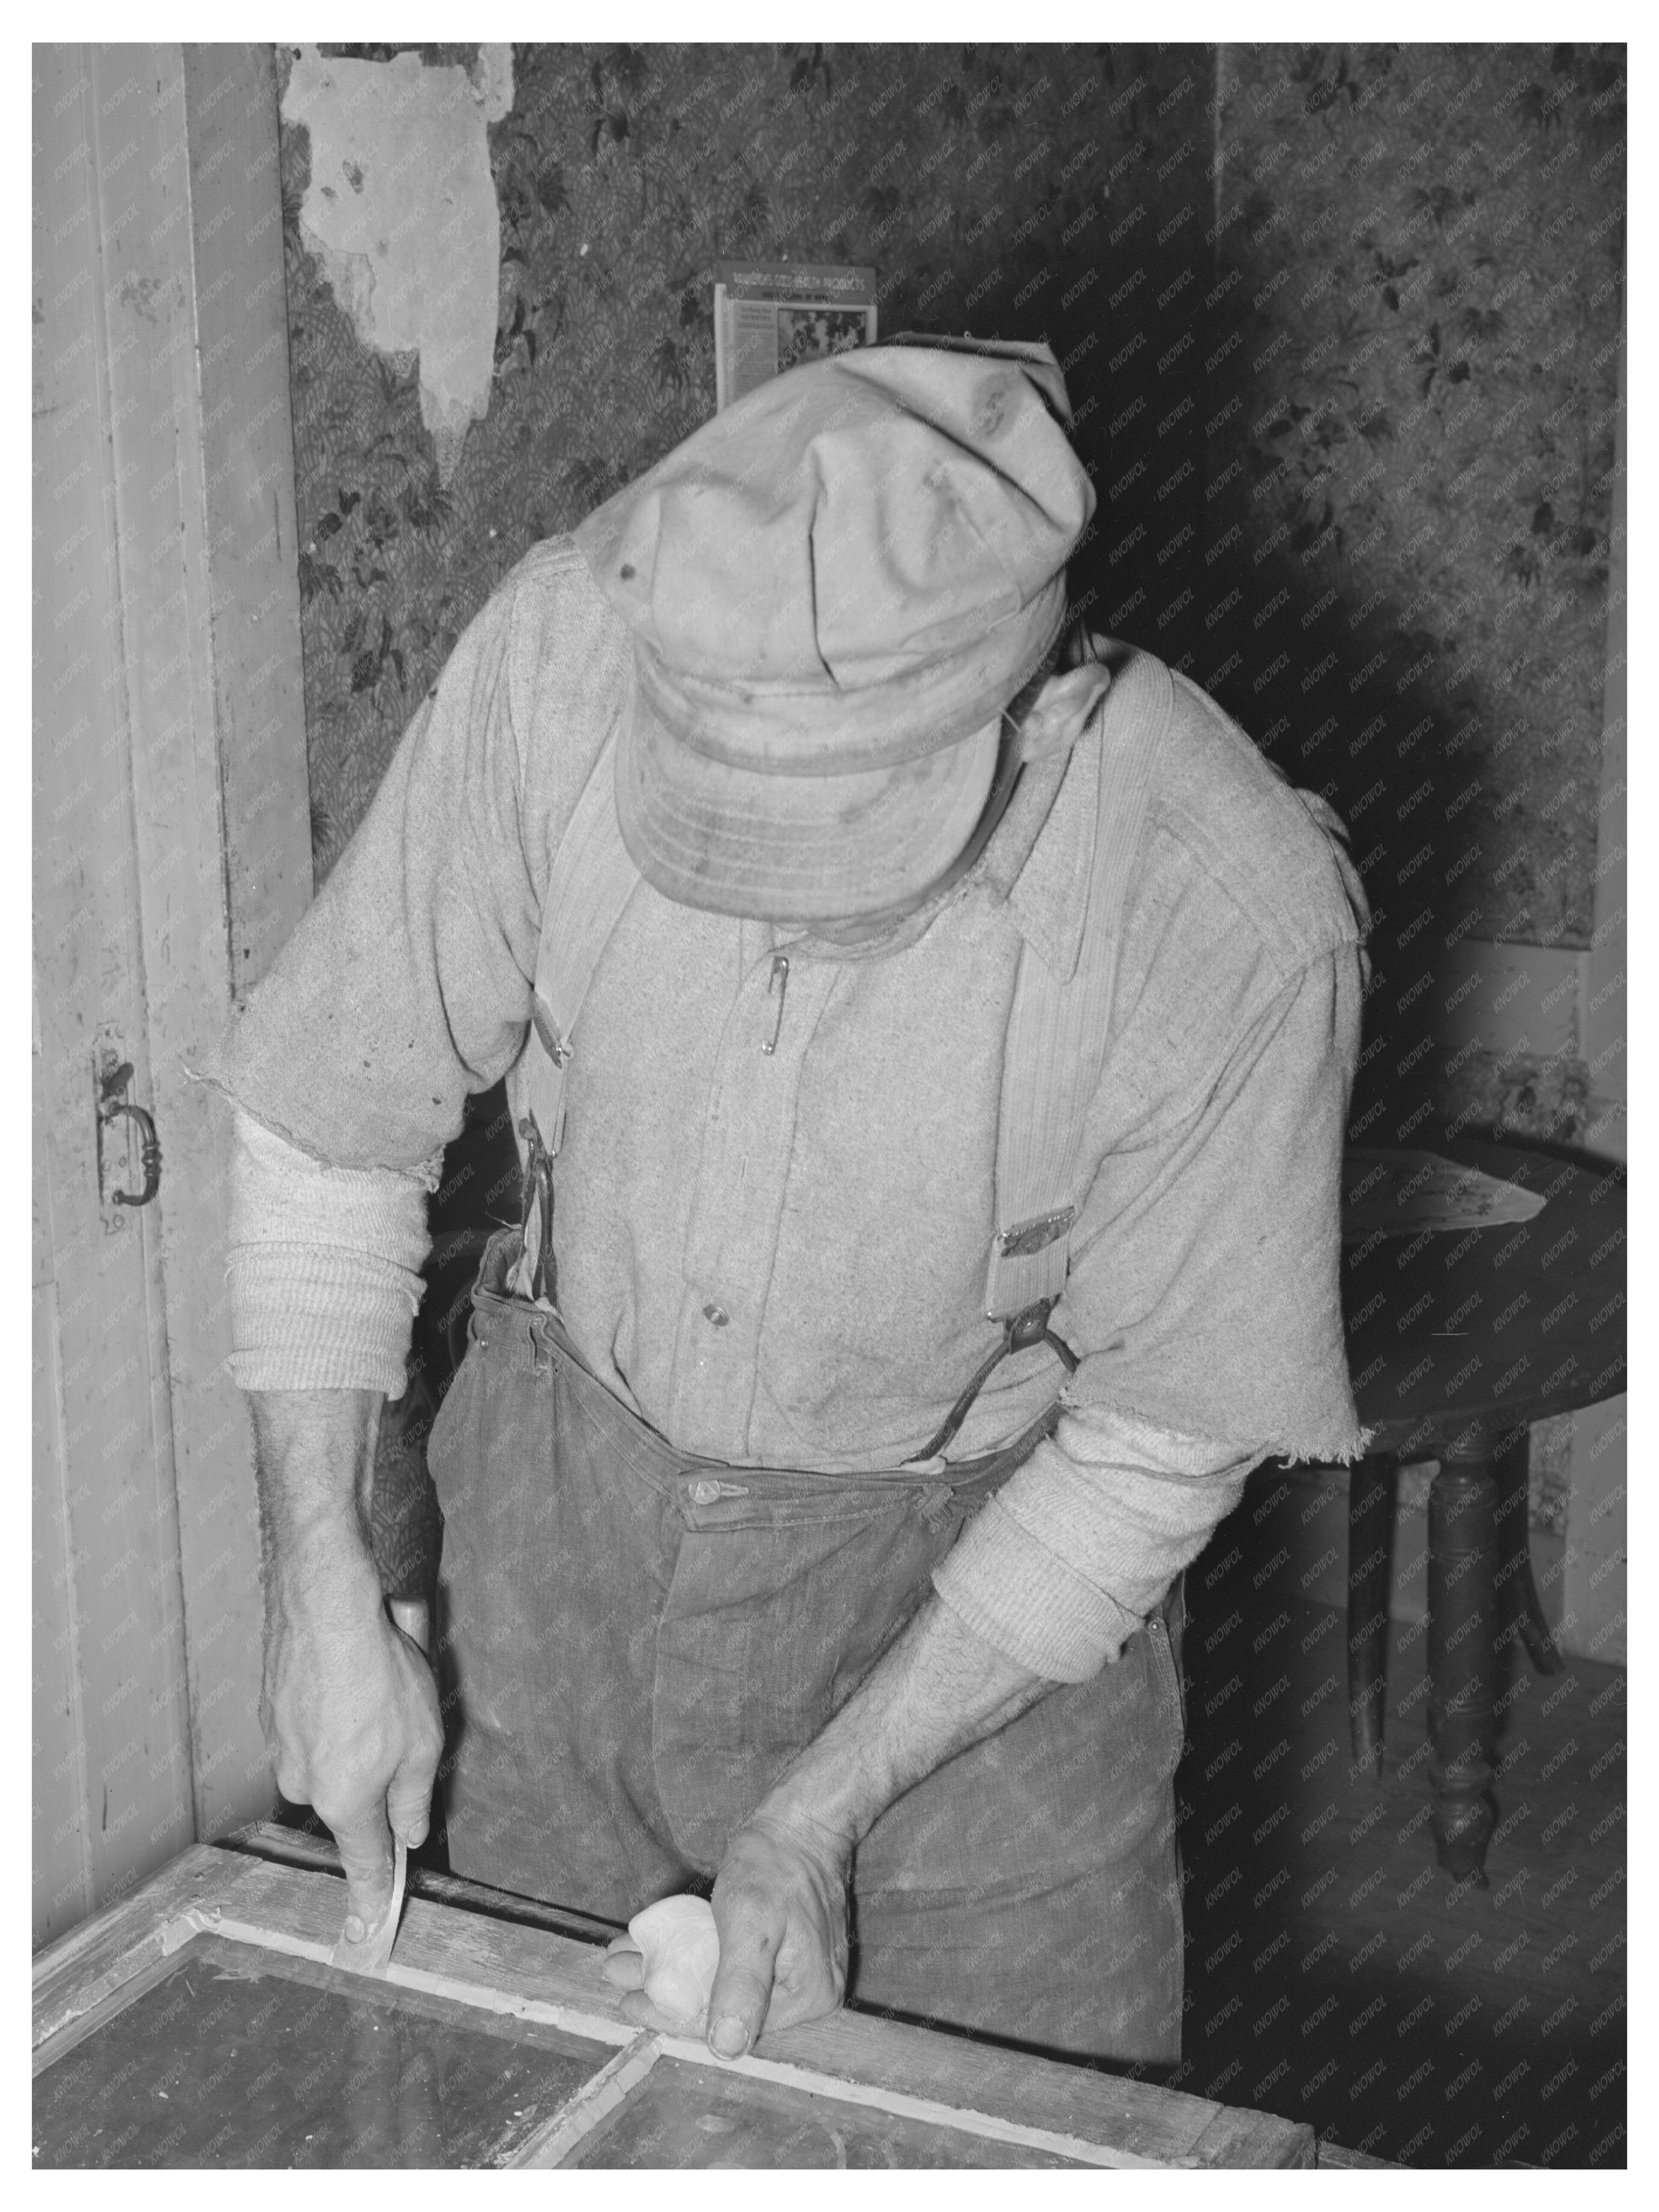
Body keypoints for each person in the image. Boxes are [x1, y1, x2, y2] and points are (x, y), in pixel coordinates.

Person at [202, 338, 1368, 2068]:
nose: (767, 929)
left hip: (978, 1660)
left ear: (1034, 717)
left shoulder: (1231, 918)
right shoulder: (559, 654)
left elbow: (1160, 1439)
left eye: (837, 866)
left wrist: (824, 1809)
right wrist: (325, 1584)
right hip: (554, 1587)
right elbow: (333, 1125)